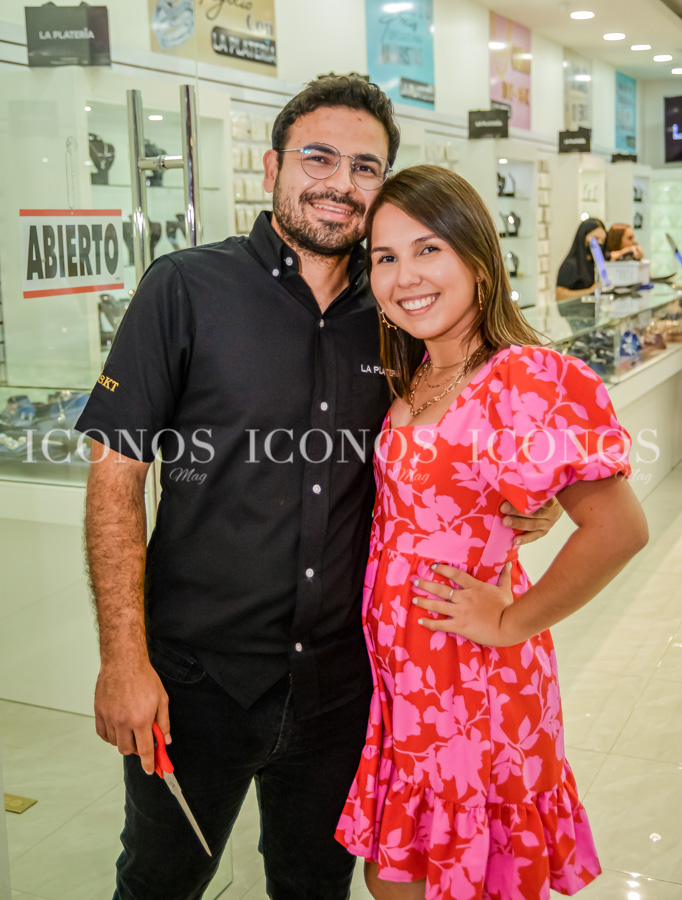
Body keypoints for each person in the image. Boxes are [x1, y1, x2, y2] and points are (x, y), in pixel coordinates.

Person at [76, 77, 561, 900]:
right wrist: (123, 659)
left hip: (347, 684)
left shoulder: (399, 313)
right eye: (319, 157)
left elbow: (450, 437)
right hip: (198, 682)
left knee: (314, 884)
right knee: (159, 880)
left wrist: (523, 496)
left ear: (386, 186)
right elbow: (116, 475)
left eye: (365, 166)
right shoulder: (186, 288)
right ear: (272, 166)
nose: (340, 183)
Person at [334, 165, 648, 900]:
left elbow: (620, 529)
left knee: (453, 880)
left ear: (479, 258)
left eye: (428, 249)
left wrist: (510, 621)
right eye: (385, 257)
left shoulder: (527, 378)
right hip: (405, 681)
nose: (404, 275)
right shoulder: (415, 373)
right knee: (399, 878)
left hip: (473, 682)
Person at [555, 217, 606, 302]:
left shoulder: (595, 263)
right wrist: (590, 291)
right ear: (583, 237)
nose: (599, 243)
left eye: (603, 240)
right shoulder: (570, 265)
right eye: (596, 238)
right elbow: (559, 295)